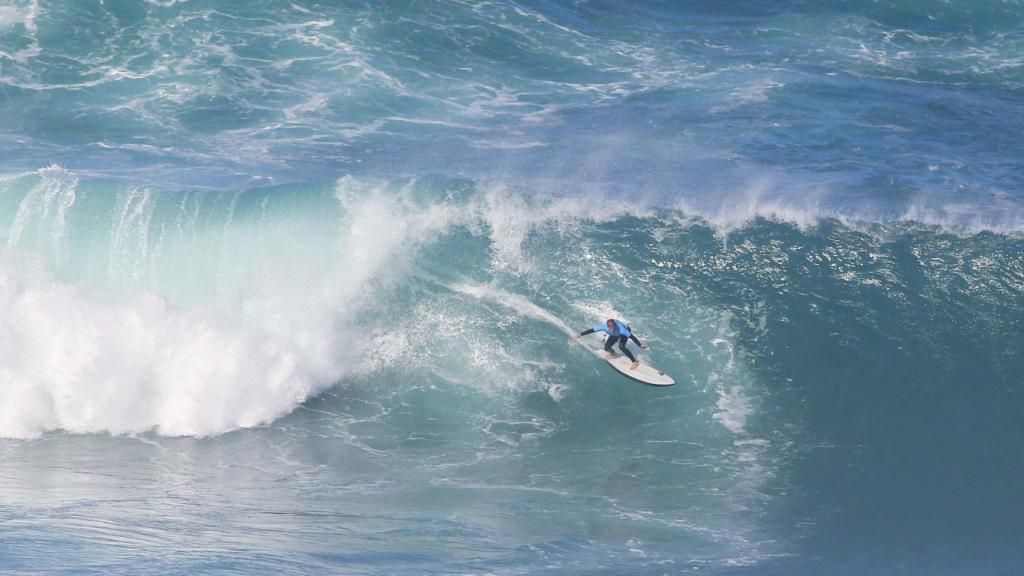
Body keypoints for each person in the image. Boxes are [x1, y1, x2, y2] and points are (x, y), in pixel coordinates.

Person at [573, 319, 647, 369]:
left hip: (626, 330)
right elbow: (592, 330)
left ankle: (635, 361)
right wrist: (580, 334)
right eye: (612, 328)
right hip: (615, 334)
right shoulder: (603, 327)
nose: (614, 329)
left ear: (616, 325)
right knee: (606, 348)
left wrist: (640, 345)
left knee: (621, 347)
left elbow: (632, 337)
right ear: (607, 327)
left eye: (615, 327)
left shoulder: (622, 329)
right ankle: (613, 353)